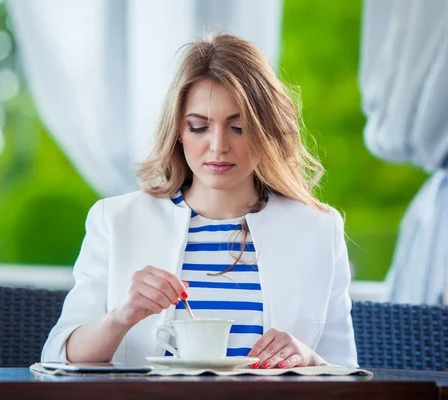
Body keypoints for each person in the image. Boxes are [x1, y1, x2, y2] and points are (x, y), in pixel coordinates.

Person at [42, 33, 358, 369]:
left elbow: (347, 372)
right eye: (199, 127)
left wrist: (309, 359)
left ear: (266, 130)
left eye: (238, 128)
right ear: (178, 130)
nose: (218, 145)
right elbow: (58, 355)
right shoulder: (116, 220)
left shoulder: (318, 230)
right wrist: (120, 317)